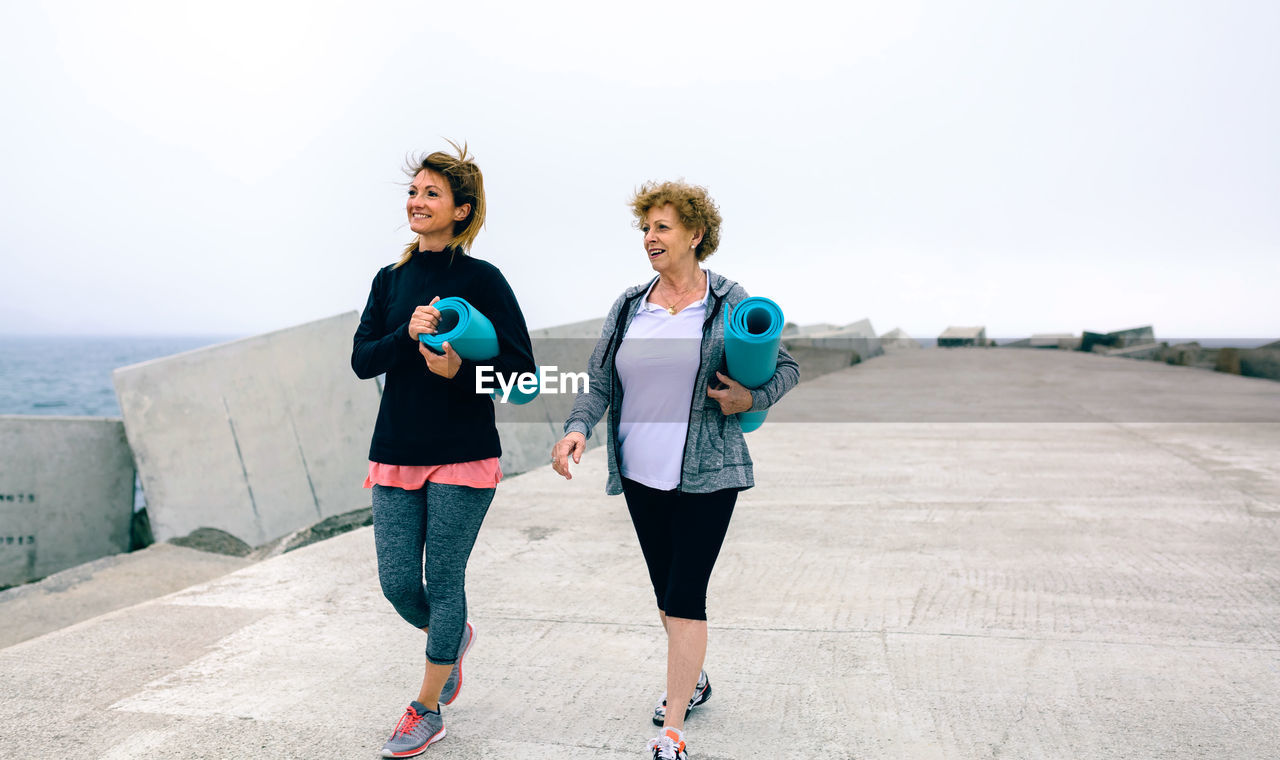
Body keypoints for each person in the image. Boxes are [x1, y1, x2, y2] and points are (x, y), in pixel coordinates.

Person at [550, 180, 799, 760]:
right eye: (645, 228)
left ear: (695, 234)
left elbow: (786, 369)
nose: (650, 238)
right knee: (666, 595)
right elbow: (599, 382)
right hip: (639, 472)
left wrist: (751, 399)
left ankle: (674, 731)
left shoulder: (729, 301)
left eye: (662, 227)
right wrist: (576, 429)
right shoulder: (628, 306)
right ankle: (697, 679)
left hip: (709, 473)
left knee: (686, 597)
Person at [351, 141, 535, 758]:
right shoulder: (390, 281)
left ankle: (426, 709)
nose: (417, 202)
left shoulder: (483, 281)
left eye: (431, 193)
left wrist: (460, 369)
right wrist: (405, 335)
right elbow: (361, 361)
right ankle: (450, 640)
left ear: (462, 210)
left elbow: (523, 378)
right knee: (399, 584)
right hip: (396, 449)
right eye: (413, 192)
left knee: (443, 577)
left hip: (463, 453)